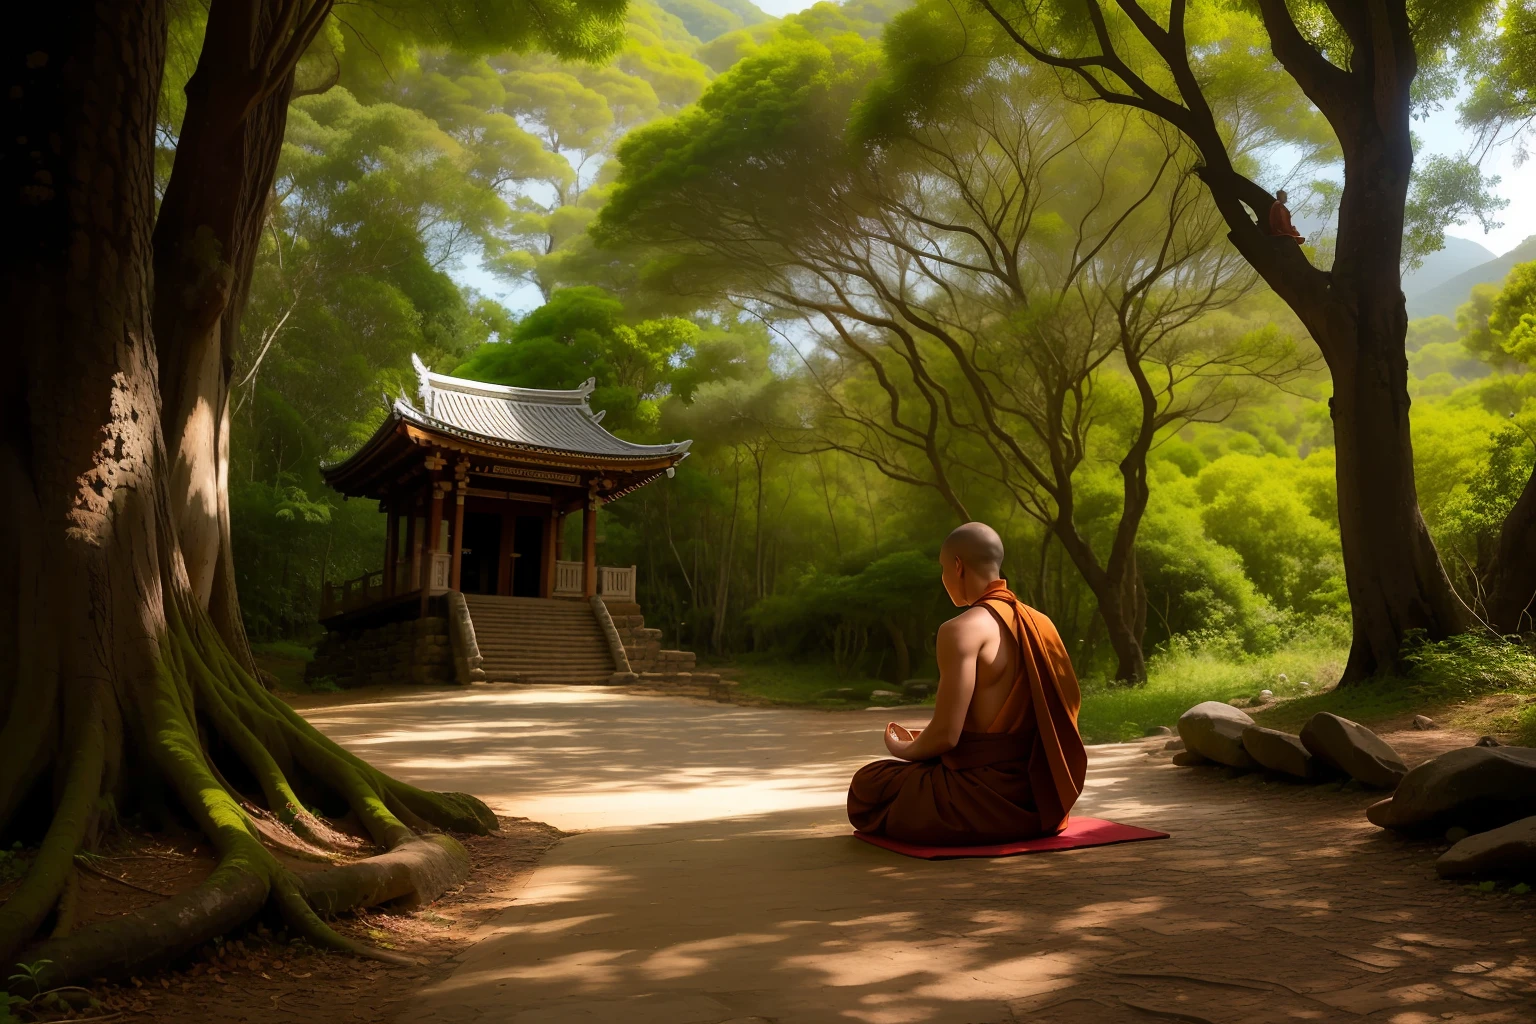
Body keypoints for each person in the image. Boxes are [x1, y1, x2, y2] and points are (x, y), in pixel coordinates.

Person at [847, 522, 1087, 845]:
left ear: (957, 566)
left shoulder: (960, 630)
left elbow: (947, 735)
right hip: (1041, 802)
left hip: (977, 798)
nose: (944, 578)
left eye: (943, 569)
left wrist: (903, 748)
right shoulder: (1042, 625)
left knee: (868, 783)